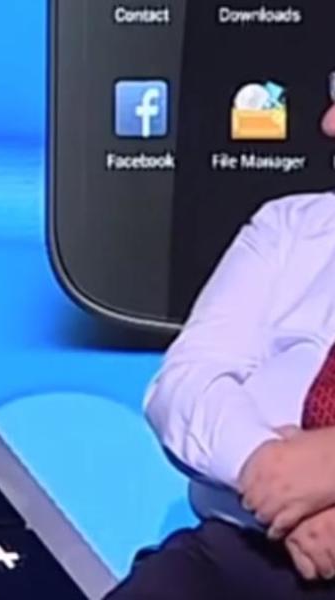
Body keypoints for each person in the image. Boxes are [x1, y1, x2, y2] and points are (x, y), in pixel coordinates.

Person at [107, 98, 335, 600]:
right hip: (242, 552)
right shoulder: (291, 226)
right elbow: (185, 383)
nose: (329, 123)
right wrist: (271, 473)